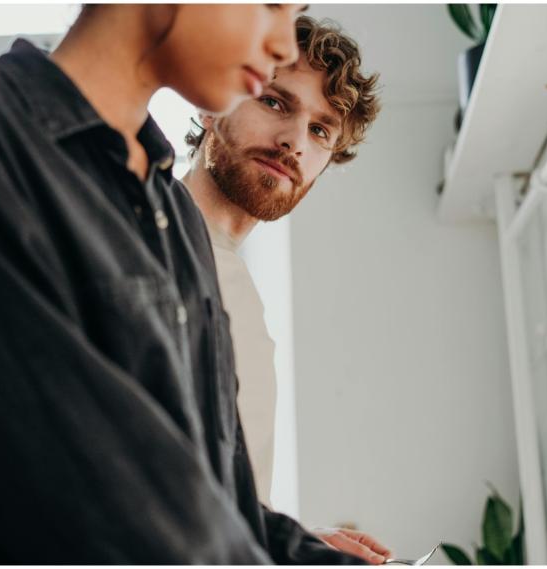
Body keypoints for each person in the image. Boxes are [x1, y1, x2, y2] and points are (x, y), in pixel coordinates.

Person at [0, 5, 366, 564]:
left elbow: (226, 502)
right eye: (271, 6)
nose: (280, 45)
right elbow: (90, 486)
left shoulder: (172, 211)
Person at [182, 15, 386, 564]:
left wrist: (288, 537)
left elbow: (215, 496)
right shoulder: (148, 249)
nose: (294, 141)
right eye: (276, 102)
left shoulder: (232, 277)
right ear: (209, 101)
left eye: (321, 131)